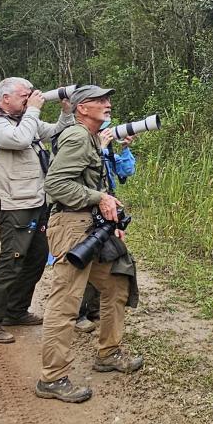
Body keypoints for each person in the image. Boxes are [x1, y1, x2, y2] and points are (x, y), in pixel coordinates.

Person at [36, 85, 142, 403]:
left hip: (91, 224)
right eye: (100, 101)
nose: (107, 104)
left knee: (116, 283)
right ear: (82, 108)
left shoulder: (92, 139)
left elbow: (90, 182)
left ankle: (108, 353)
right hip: (71, 225)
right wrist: (99, 198)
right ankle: (52, 379)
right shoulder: (77, 136)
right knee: (65, 303)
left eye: (109, 99)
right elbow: (55, 184)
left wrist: (108, 213)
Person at [0, 77, 74, 344]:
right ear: (5, 98)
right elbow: (19, 140)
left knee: (37, 257)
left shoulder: (24, 120)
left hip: (37, 200)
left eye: (30, 95)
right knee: (12, 259)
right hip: (13, 203)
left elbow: (55, 132)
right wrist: (34, 109)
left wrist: (66, 112)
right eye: (23, 95)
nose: (28, 99)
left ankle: (15, 310)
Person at [74, 136, 135, 333]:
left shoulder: (107, 153)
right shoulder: (79, 146)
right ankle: (77, 314)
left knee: (106, 258)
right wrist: (98, 148)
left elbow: (127, 170)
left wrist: (125, 148)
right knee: (86, 261)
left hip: (107, 210)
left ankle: (93, 308)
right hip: (83, 211)